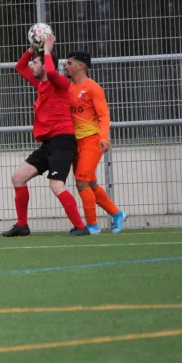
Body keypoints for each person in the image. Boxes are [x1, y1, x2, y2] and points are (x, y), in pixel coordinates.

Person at [2, 34, 89, 237]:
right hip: (48, 143)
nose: (32, 65)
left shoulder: (60, 83)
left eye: (36, 62)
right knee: (18, 178)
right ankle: (22, 226)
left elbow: (50, 70)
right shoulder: (41, 84)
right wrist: (33, 49)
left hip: (63, 141)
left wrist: (48, 50)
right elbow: (20, 67)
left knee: (56, 185)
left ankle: (80, 227)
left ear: (45, 64)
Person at [65, 51, 127, 234]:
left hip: (91, 140)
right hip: (75, 142)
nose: (65, 66)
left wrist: (103, 137)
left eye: (69, 63)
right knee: (90, 184)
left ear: (80, 66)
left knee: (81, 183)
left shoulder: (93, 88)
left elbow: (104, 115)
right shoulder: (67, 88)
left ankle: (92, 226)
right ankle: (117, 214)